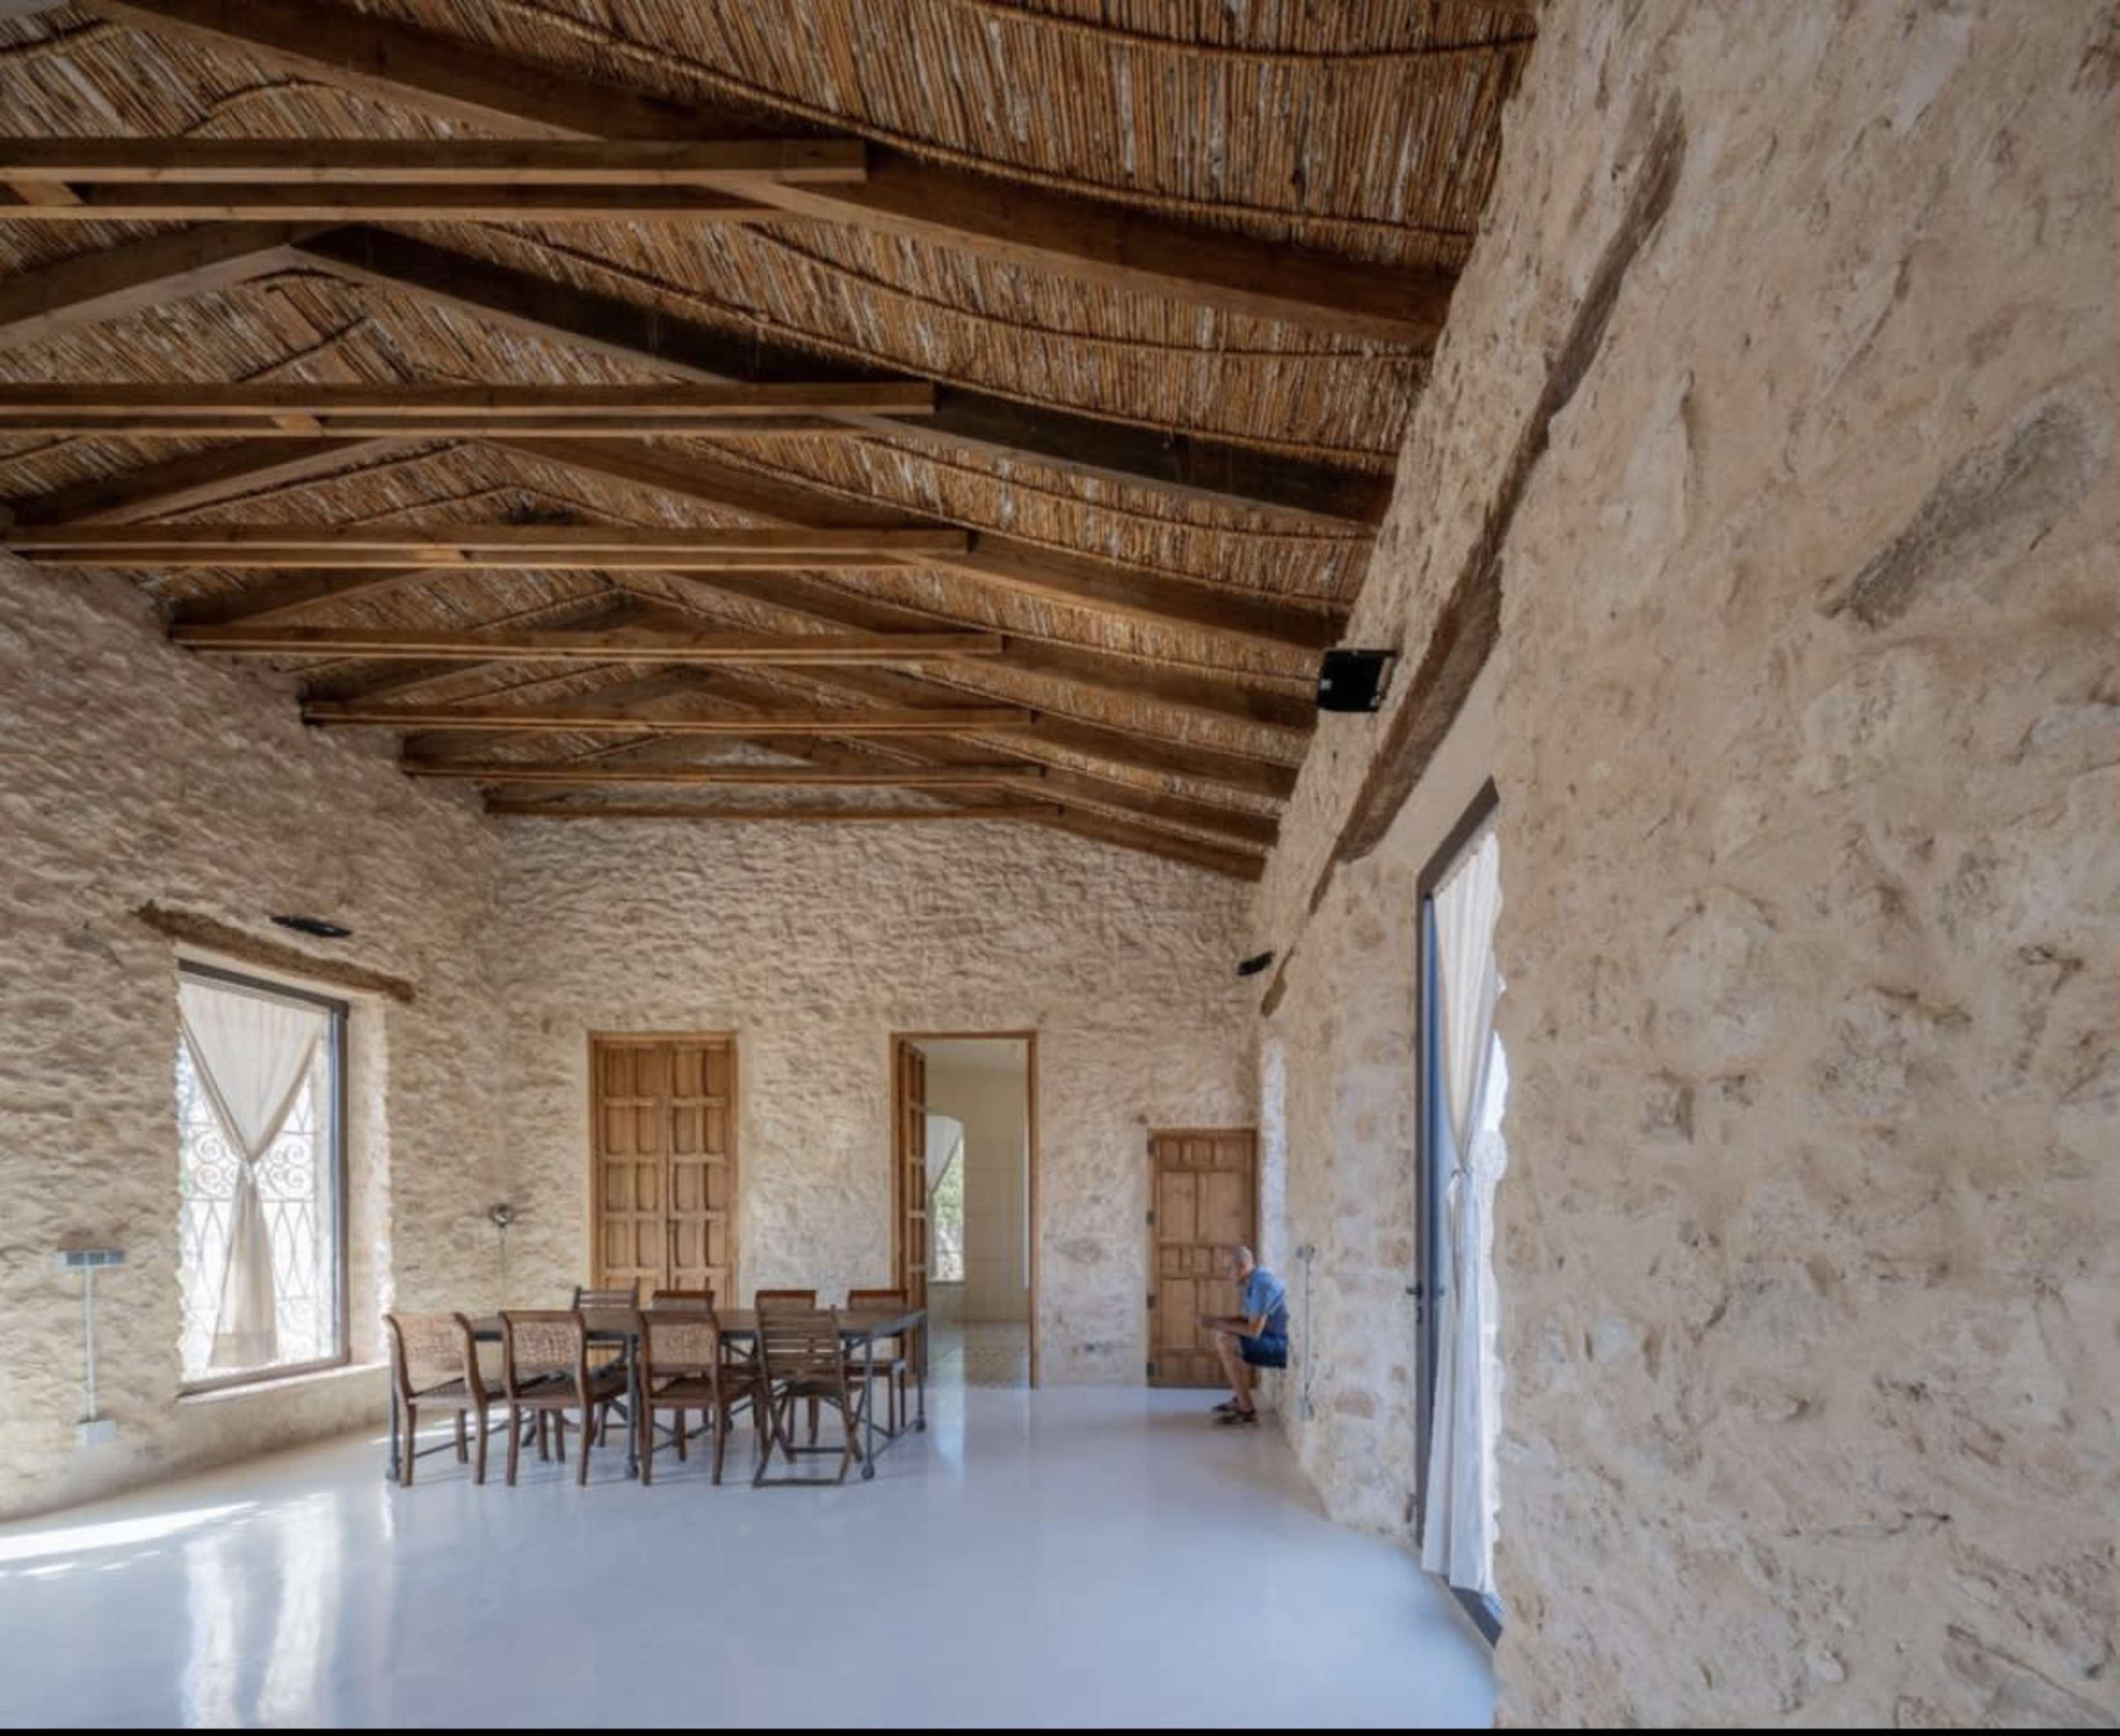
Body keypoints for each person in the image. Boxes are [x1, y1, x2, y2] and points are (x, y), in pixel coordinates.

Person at [1198, 1246, 1288, 1426]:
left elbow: (1253, 1331)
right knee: (1227, 1333)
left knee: (1225, 1339)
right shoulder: (1254, 1281)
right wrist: (1219, 1320)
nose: (1227, 1274)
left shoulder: (1262, 1285)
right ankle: (1241, 1399)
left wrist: (1215, 1323)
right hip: (1271, 1338)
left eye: (1229, 1269)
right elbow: (1248, 1321)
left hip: (1281, 1346)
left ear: (1244, 1266)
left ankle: (1247, 1411)